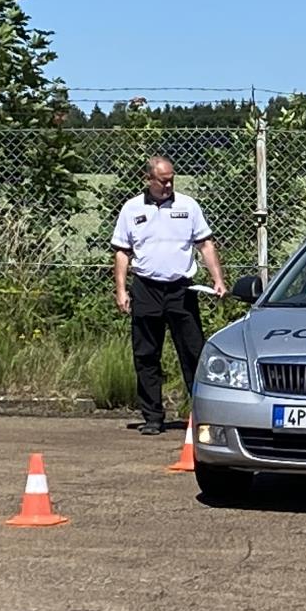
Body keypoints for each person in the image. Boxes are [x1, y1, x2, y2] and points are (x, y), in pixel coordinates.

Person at [111, 156, 227, 435]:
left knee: (193, 353)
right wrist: (121, 289)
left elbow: (205, 244)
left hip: (181, 289)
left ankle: (201, 416)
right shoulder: (131, 209)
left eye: (172, 178)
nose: (168, 184)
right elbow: (122, 251)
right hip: (146, 288)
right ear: (148, 179)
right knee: (147, 353)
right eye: (163, 180)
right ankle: (152, 416)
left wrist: (218, 279)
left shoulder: (188, 206)